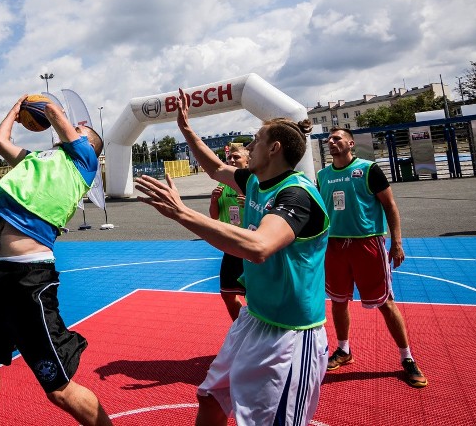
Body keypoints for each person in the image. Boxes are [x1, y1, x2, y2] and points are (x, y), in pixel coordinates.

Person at [135, 89, 330, 426]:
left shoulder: (296, 195)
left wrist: (182, 213)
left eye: (256, 140)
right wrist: (186, 129)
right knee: (210, 398)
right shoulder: (256, 180)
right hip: (254, 318)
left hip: (291, 334)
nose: (249, 147)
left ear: (274, 148)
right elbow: (213, 168)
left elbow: (258, 247)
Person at [0, 95, 111, 426]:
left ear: (88, 144)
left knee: (57, 388)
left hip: (29, 276)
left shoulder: (83, 161)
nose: (77, 127)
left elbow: (56, 113)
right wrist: (17, 109)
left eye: (81, 130)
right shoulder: (38, 161)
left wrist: (36, 99)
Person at [316, 127, 427, 388]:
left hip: (367, 243)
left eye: (337, 138)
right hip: (334, 245)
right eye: (329, 139)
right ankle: (344, 350)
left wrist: (397, 243)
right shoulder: (322, 175)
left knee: (385, 302)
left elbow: (390, 206)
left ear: (350, 143)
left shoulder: (368, 169)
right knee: (338, 300)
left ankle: (407, 358)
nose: (331, 142)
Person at [208, 142, 249, 321]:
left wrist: (249, 205)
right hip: (231, 246)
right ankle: (241, 327)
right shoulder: (222, 185)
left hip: (250, 246)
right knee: (227, 294)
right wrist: (213, 201)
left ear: (247, 162)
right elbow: (214, 216)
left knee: (255, 297)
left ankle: (262, 333)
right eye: (229, 158)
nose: (231, 160)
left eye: (236, 157)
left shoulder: (254, 185)